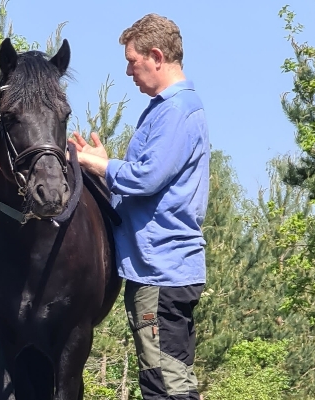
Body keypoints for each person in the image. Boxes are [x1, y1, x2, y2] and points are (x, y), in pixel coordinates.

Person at [70, 13, 210, 400]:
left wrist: (96, 164)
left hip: (161, 270)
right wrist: (108, 161)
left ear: (156, 56)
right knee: (167, 376)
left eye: (132, 61)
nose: (129, 71)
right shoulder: (169, 109)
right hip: (161, 268)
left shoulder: (176, 111)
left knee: (164, 383)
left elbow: (147, 178)